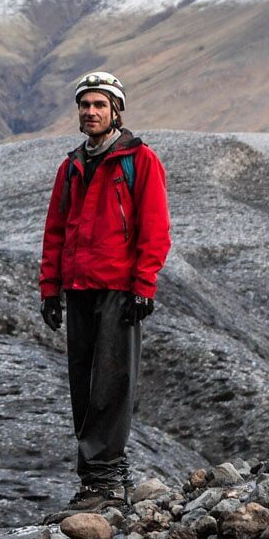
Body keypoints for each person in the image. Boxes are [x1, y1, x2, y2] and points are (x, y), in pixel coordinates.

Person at [38, 71, 171, 510]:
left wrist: (143, 285)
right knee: (83, 384)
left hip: (118, 288)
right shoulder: (72, 165)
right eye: (84, 105)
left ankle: (106, 483)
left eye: (99, 104)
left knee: (112, 385)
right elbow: (55, 231)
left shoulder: (139, 160)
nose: (90, 112)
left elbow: (155, 228)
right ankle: (95, 480)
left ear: (116, 110)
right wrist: (49, 288)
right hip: (77, 288)